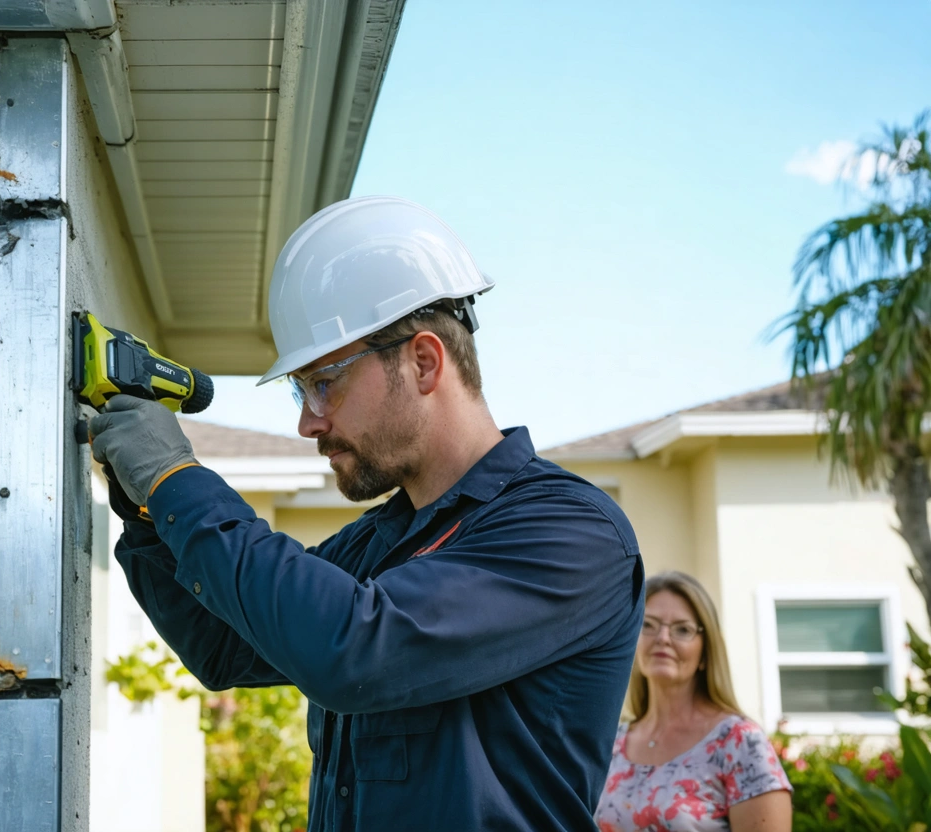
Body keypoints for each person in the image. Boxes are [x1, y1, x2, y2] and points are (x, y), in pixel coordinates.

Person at [90, 195, 645, 831]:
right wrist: (145, 506)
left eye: (324, 382)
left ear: (424, 362)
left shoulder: (569, 532)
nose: (307, 421)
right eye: (300, 391)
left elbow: (353, 650)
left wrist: (177, 480)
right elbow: (222, 645)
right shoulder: (384, 540)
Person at [594, 571, 792, 832]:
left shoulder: (739, 742)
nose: (663, 638)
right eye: (648, 624)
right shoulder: (612, 743)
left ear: (705, 652)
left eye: (682, 629)